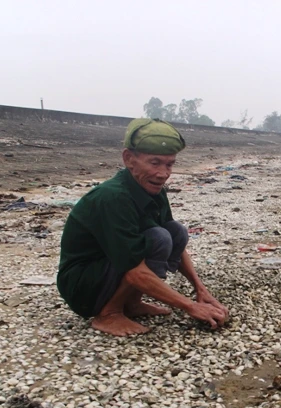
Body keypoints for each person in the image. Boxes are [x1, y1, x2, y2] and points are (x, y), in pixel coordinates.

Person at [57, 118, 229, 336]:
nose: (163, 174)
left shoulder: (154, 190)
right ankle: (108, 313)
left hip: (113, 267)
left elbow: (174, 243)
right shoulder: (113, 197)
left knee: (175, 232)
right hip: (83, 285)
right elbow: (134, 270)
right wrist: (191, 307)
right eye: (154, 163)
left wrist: (200, 289)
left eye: (169, 164)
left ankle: (132, 303)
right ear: (129, 159)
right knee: (158, 238)